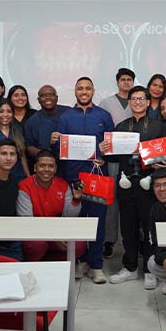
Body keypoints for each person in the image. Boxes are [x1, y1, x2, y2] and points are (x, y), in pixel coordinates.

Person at [101, 86, 166, 289]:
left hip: (150, 185)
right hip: (126, 182)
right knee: (128, 227)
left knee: (150, 227)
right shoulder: (121, 126)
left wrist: (159, 161)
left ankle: (150, 269)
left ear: (148, 102)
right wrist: (104, 150)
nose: (137, 102)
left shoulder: (158, 127)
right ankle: (130, 268)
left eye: (141, 99)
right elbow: (112, 157)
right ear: (129, 102)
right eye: (134, 99)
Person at [54, 77, 115, 284]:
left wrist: (105, 152)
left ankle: (96, 265)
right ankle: (79, 261)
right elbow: (59, 150)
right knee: (75, 222)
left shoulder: (103, 116)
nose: (84, 91)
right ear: (75, 91)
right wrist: (54, 141)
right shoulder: (65, 117)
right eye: (80, 88)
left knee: (98, 222)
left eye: (88, 88)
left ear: (93, 91)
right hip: (72, 177)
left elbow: (112, 146)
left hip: (97, 175)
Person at [16, 149, 86, 261]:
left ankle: (51, 264)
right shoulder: (25, 187)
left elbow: (69, 217)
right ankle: (33, 266)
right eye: (42, 166)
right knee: (37, 245)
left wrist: (76, 199)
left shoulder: (63, 185)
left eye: (50, 166)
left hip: (57, 231)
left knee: (79, 245)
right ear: (35, 168)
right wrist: (53, 238)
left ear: (55, 169)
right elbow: (27, 222)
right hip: (33, 233)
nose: (46, 170)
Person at [98, 67, 136, 259]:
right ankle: (109, 240)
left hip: (134, 160)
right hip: (112, 159)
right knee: (111, 200)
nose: (126, 82)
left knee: (132, 201)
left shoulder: (137, 101)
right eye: (123, 79)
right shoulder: (106, 103)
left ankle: (134, 240)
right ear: (117, 82)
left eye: (130, 79)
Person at [0, 99, 30, 183]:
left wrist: (28, 178)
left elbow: (22, 157)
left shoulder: (19, 131)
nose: (5, 115)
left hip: (17, 178)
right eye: (1, 111)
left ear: (13, 114)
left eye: (9, 111)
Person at [24, 85, 70, 160]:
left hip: (69, 163)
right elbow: (29, 146)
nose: (48, 98)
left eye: (51, 94)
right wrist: (44, 156)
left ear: (57, 98)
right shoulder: (31, 122)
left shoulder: (69, 113)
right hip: (46, 165)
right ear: (38, 100)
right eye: (43, 95)